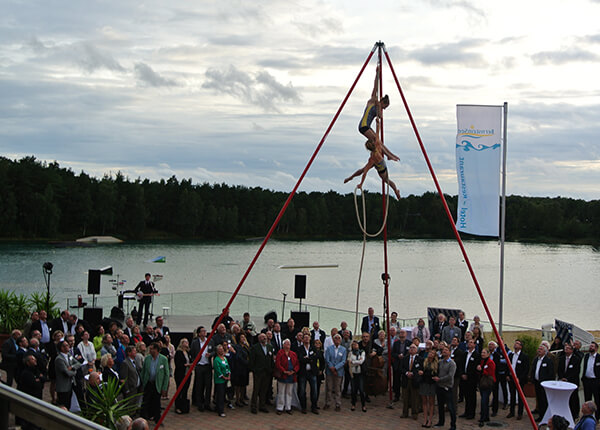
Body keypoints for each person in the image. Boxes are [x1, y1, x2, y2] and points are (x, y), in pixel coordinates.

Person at [358, 65, 399, 161]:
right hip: (363, 126)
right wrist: (377, 74)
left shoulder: (378, 107)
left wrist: (379, 106)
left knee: (378, 142)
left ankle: (389, 154)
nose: (384, 109)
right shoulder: (372, 101)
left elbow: (380, 117)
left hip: (367, 126)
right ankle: (389, 155)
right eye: (385, 106)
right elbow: (375, 87)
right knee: (378, 141)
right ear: (383, 102)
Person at [140, 342, 169, 424]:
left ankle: (158, 419)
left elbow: (166, 374)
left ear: (156, 350)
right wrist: (143, 382)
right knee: (145, 401)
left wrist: (164, 388)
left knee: (156, 402)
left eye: (152, 349)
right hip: (148, 383)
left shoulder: (163, 359)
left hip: (157, 384)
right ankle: (143, 419)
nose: (150, 350)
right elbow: (143, 371)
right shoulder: (147, 358)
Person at [249, 333, 274, 414]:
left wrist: (271, 369)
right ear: (259, 339)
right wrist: (254, 369)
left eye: (265, 337)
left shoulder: (269, 347)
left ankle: (262, 405)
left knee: (264, 389)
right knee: (256, 389)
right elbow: (252, 360)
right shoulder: (255, 347)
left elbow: (271, 359)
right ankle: (253, 406)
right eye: (262, 337)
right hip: (258, 371)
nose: (264, 338)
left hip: (267, 371)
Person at [433, 345, 457, 430]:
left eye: (446, 350)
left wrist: (439, 379)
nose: (444, 351)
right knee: (440, 406)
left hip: (447, 387)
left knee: (450, 407)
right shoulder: (440, 362)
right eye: (443, 350)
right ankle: (441, 422)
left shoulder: (452, 363)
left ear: (449, 352)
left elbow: (450, 376)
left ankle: (453, 425)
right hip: (439, 387)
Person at [190, 326, 213, 412]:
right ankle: (199, 403)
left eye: (205, 331)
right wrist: (194, 361)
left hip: (207, 366)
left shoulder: (210, 341)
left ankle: (207, 403)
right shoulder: (195, 342)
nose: (204, 332)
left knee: (208, 385)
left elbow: (213, 350)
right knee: (199, 385)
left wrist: (210, 355)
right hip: (199, 366)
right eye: (202, 331)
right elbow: (192, 353)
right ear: (199, 334)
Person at [274, 339, 299, 415]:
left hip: (291, 375)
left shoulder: (293, 354)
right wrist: (284, 371)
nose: (288, 344)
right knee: (281, 392)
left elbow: (297, 364)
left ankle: (288, 407)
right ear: (283, 345)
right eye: (286, 343)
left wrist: (294, 371)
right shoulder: (280, 353)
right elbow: (278, 363)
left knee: (289, 392)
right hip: (283, 375)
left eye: (289, 343)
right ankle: (280, 407)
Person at [557, 342, 581, 420]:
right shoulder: (561, 359)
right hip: (563, 382)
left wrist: (567, 378)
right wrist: (561, 378)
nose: (566, 349)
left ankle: (574, 414)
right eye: (565, 348)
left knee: (573, 398)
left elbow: (575, 371)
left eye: (567, 348)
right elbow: (559, 370)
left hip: (572, 382)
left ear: (571, 350)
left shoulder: (576, 359)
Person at [531, 344, 555, 421]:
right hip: (537, 383)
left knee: (544, 400)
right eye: (538, 349)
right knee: (539, 399)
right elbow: (533, 370)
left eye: (541, 349)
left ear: (545, 351)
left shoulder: (548, 361)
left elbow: (551, 373)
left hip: (544, 384)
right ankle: (540, 414)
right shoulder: (536, 360)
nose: (539, 350)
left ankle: (544, 416)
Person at [507, 338, 530, 420]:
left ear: (521, 346)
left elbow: (526, 369)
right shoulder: (511, 355)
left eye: (517, 343)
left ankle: (520, 413)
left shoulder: (524, 357)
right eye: (515, 343)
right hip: (511, 379)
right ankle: (511, 411)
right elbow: (508, 366)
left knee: (520, 397)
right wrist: (508, 375)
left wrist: (520, 378)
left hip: (519, 380)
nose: (515, 344)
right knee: (512, 395)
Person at [55, 339, 82, 409]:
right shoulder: (59, 359)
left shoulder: (69, 355)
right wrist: (74, 372)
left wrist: (72, 367)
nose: (68, 346)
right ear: (62, 348)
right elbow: (67, 372)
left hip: (70, 385)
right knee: (64, 404)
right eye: (66, 345)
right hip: (63, 387)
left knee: (69, 404)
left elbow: (78, 363)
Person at [297, 333, 319, 414]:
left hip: (312, 372)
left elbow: (316, 357)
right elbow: (300, 359)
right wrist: (309, 359)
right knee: (302, 390)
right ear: (302, 340)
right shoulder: (299, 348)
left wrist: (307, 358)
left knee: (314, 390)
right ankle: (303, 407)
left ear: (310, 339)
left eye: (307, 337)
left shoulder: (313, 348)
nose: (306, 339)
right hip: (303, 372)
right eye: (304, 338)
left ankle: (314, 407)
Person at [324, 333, 347, 412]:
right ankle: (328, 403)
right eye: (335, 338)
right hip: (330, 371)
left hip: (339, 372)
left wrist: (336, 368)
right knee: (329, 388)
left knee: (337, 389)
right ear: (333, 340)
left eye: (338, 338)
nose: (337, 340)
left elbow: (343, 361)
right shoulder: (329, 349)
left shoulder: (343, 349)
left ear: (340, 340)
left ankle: (338, 404)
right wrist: (332, 368)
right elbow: (327, 359)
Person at [460, 338, 480, 420]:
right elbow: (461, 365)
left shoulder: (477, 355)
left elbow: (475, 367)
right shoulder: (465, 354)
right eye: (469, 342)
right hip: (464, 378)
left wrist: (468, 375)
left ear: (475, 345)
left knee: (472, 396)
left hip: (471, 379)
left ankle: (471, 413)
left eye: (471, 342)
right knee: (466, 396)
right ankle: (466, 411)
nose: (470, 344)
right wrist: (462, 374)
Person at [401, 343, 422, 419]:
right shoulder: (405, 358)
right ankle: (405, 413)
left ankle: (415, 413)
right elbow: (402, 368)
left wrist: (413, 373)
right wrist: (407, 373)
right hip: (406, 380)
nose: (412, 349)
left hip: (415, 380)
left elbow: (420, 369)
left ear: (416, 350)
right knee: (405, 397)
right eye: (410, 348)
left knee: (415, 398)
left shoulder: (420, 359)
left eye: (413, 348)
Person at [488, 341, 509, 417]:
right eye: (489, 345)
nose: (490, 346)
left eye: (492, 345)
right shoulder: (487, 354)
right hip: (487, 376)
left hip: (497, 375)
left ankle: (495, 409)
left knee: (496, 392)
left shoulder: (497, 355)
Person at [419, 349, 438, 427]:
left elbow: (436, 373)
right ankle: (425, 419)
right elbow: (420, 370)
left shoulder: (436, 363)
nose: (430, 354)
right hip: (424, 383)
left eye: (432, 353)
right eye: (430, 353)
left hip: (431, 384)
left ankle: (430, 420)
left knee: (431, 402)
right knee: (424, 402)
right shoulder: (424, 361)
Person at [477, 347, 496, 427]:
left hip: (487, 383)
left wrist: (481, 370)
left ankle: (483, 418)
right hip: (482, 383)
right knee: (484, 400)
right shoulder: (482, 361)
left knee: (484, 401)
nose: (482, 354)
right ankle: (486, 416)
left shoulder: (490, 362)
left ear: (488, 354)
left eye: (484, 353)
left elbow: (490, 373)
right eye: (482, 352)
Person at [173, 338, 192, 414]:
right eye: (185, 342)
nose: (186, 343)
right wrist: (186, 365)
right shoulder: (178, 353)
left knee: (185, 390)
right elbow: (178, 364)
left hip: (187, 373)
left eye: (187, 342)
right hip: (180, 374)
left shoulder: (188, 352)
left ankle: (184, 406)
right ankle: (177, 406)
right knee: (179, 390)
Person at [582, 341, 600, 420]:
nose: (590, 347)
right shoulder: (586, 356)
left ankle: (597, 417)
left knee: (597, 400)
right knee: (587, 399)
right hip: (587, 380)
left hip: (596, 381)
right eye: (590, 346)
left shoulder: (599, 357)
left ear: (596, 348)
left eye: (592, 346)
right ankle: (587, 416)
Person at [347, 340, 367, 412]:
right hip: (353, 373)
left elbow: (361, 362)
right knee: (353, 390)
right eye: (353, 345)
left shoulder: (362, 352)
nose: (355, 346)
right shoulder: (350, 353)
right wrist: (356, 362)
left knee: (361, 390)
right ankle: (353, 404)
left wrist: (353, 362)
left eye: (356, 344)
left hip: (360, 373)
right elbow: (349, 362)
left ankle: (363, 405)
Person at [232, 334, 250, 407]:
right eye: (242, 337)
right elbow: (238, 357)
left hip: (245, 368)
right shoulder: (237, 347)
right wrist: (245, 362)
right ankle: (237, 399)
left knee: (244, 384)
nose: (243, 339)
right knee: (238, 385)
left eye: (244, 337)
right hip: (239, 368)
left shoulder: (246, 347)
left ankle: (242, 398)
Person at [212, 344, 231, 417]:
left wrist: (229, 374)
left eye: (222, 349)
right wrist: (223, 377)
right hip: (220, 380)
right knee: (220, 395)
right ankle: (220, 410)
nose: (222, 350)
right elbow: (217, 370)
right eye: (220, 349)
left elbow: (227, 367)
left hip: (226, 379)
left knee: (224, 394)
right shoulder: (216, 359)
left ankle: (219, 407)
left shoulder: (224, 358)